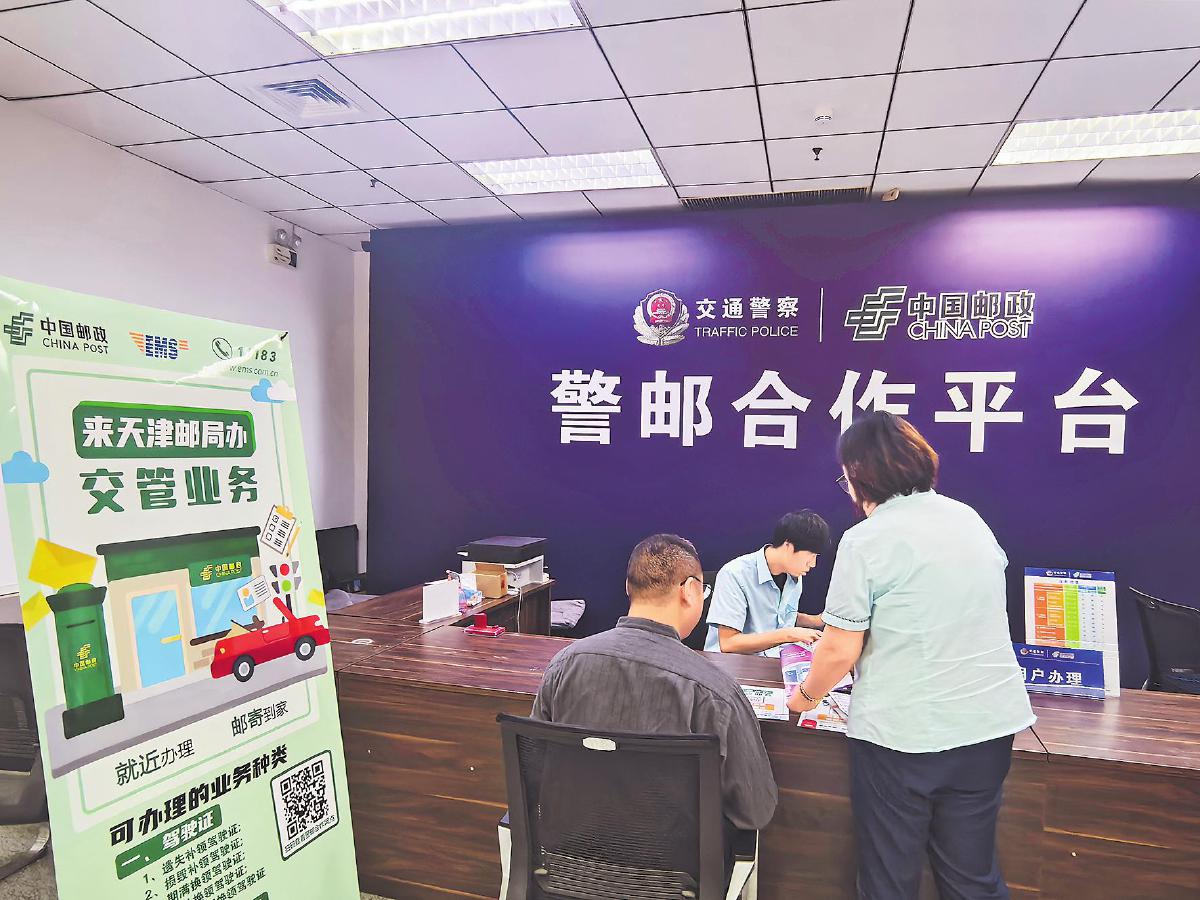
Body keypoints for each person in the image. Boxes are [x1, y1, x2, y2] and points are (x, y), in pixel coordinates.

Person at [788, 411, 1035, 900]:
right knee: (971, 878)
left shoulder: (867, 538)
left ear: (860, 475)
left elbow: (839, 649)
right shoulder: (968, 518)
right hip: (988, 726)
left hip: (903, 736)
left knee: (890, 880)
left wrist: (804, 698)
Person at [532, 534, 778, 834]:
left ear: (628, 588)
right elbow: (755, 810)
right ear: (690, 591)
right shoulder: (716, 693)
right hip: (674, 863)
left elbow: (535, 767)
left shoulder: (563, 665)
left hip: (571, 855)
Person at [704, 510, 829, 656]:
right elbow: (729, 643)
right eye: (811, 555)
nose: (813, 564)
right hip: (731, 664)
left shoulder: (794, 577)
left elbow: (779, 617)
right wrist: (789, 635)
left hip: (775, 661)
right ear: (788, 546)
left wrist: (816, 621)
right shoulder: (735, 574)